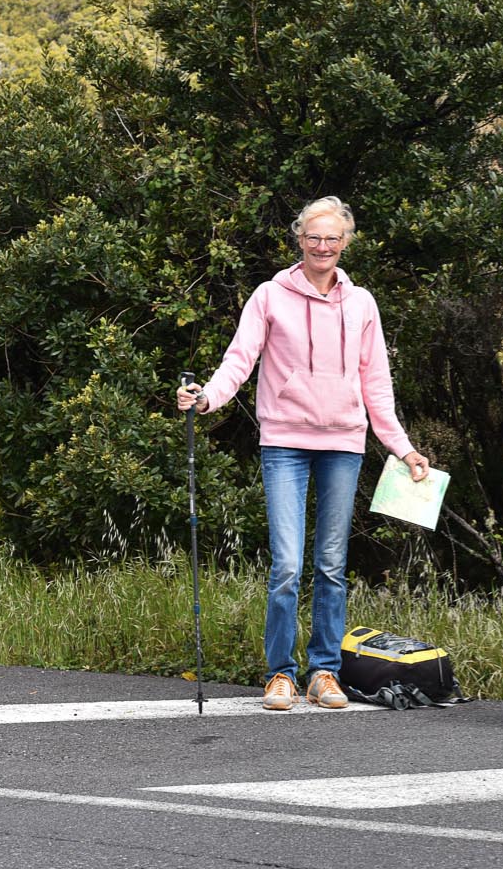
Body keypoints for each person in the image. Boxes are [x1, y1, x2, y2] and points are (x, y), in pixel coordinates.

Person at [180, 196, 431, 712]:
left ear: (345, 243)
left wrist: (403, 449)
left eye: (332, 239)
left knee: (333, 564)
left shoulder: (362, 304)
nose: (323, 246)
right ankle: (279, 674)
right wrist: (206, 398)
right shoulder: (270, 296)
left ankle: (324, 673)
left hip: (343, 443)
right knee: (288, 566)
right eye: (313, 238)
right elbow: (239, 360)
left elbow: (376, 385)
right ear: (299, 240)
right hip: (284, 443)